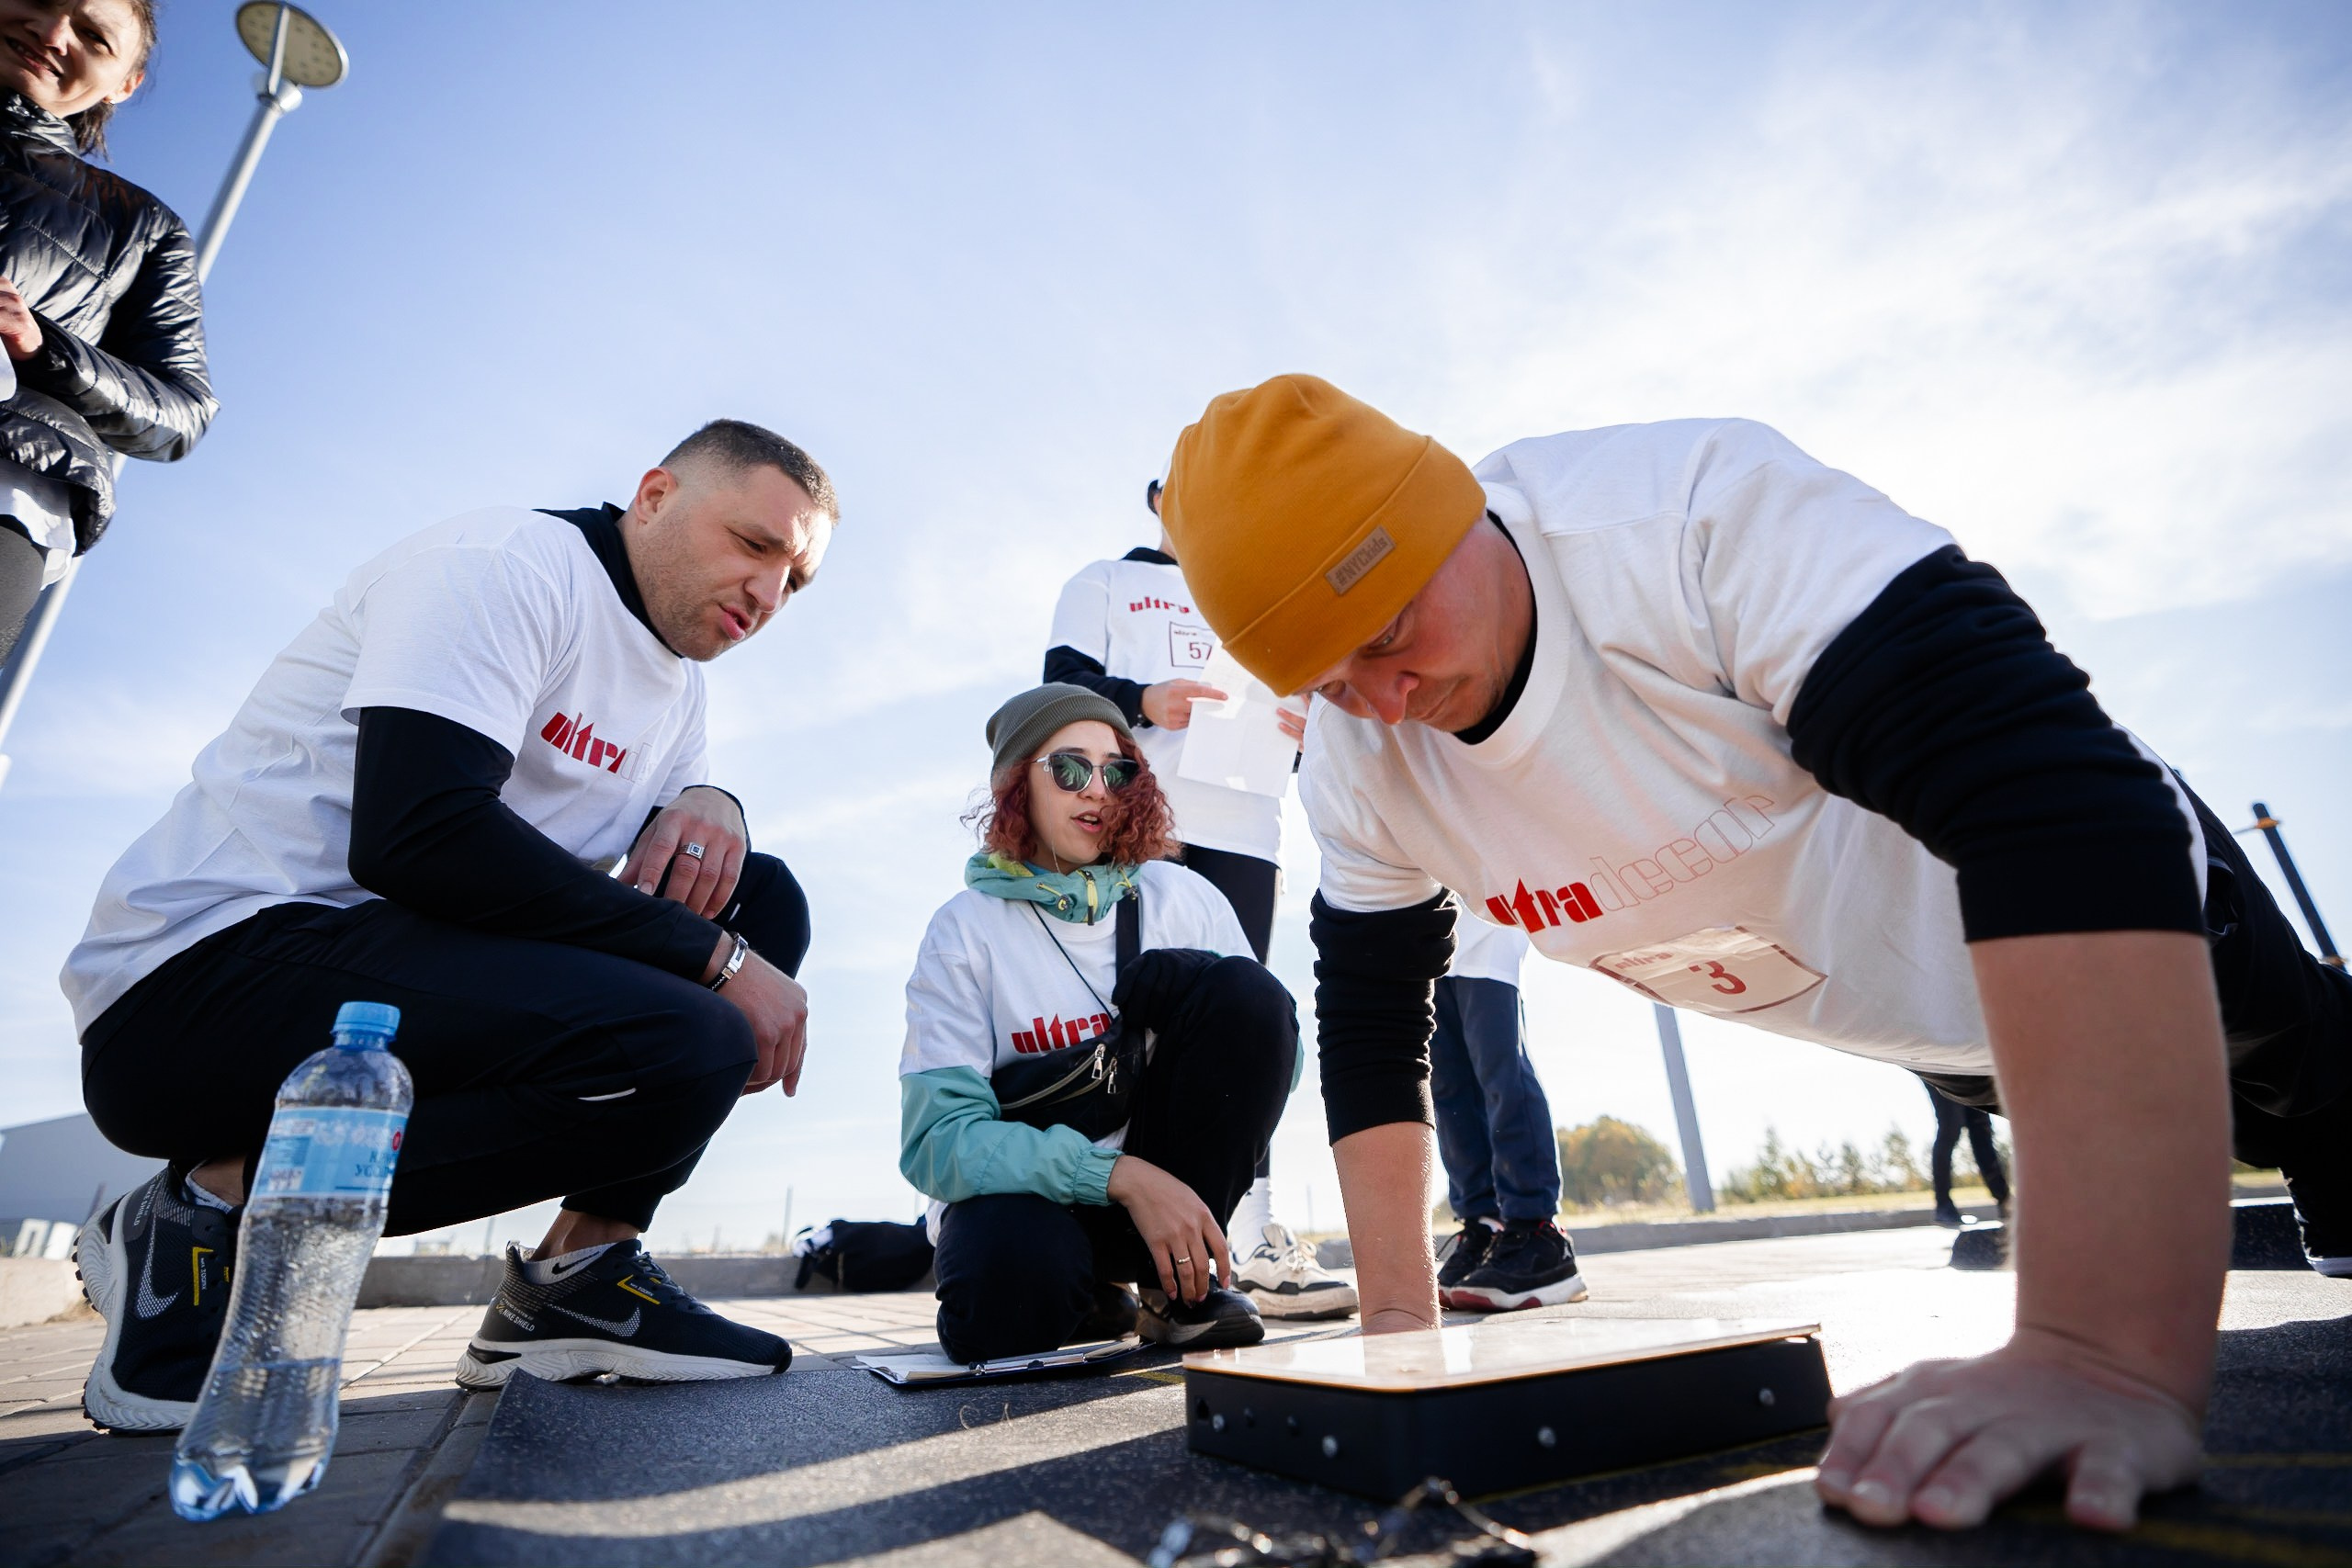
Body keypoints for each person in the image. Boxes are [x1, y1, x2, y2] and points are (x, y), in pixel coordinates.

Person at [1157, 374, 2351, 1536]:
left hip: (2155, 940)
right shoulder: (1366, 767)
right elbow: (1372, 1027)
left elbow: (2056, 806)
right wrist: (1404, 1337)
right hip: (1959, 1036)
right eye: (1330, 681)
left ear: (1446, 509)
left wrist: (2100, 1358)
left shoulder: (1684, 524)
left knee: (2316, 1095)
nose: (1387, 695)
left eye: (1389, 631)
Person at [64, 420, 833, 1430]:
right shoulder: (509, 565)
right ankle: (200, 1214)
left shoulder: (679, 690)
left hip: (395, 970)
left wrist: (714, 803)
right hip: (205, 981)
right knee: (694, 1025)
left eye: (797, 579)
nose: (769, 594)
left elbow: (650, 893)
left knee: (756, 897)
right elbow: (418, 836)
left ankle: (578, 1273)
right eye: (754, 544)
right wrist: (717, 960)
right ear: (653, 496)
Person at [898, 683, 1300, 1359]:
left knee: (1246, 989)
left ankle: (1179, 1290)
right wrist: (1118, 1177)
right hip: (1034, 1200)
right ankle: (1085, 1286)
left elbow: (1276, 1058)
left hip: (1169, 1203)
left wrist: (1200, 988)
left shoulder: (1186, 897)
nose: (1096, 790)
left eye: (1118, 772)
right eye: (1069, 768)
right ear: (1014, 784)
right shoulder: (963, 930)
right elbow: (936, 1143)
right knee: (1006, 1309)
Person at [1042, 478, 1354, 1320]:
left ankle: (1244, 1238)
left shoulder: (1273, 603)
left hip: (1247, 829)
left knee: (1250, 1025)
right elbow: (1059, 689)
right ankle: (1115, 1237)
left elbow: (1342, 708)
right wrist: (1144, 702)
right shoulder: (1106, 580)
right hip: (1139, 825)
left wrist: (1313, 730)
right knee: (1128, 1018)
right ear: (1160, 501)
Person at [0, 0, 215, 660]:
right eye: (37, 0)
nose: (53, 33)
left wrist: (40, 344)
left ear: (125, 83)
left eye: (93, 34)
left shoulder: (142, 227)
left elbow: (183, 411)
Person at [1430, 916, 1582, 1310]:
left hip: (1485, 920)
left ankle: (1538, 1230)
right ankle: (1485, 1227)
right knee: (1448, 1087)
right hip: (1427, 929)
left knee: (1501, 1069)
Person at [1927, 1080, 2011, 1228]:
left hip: (1966, 1068)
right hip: (1940, 1065)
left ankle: (2005, 1200)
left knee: (1981, 1127)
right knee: (1951, 1125)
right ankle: (1943, 1206)